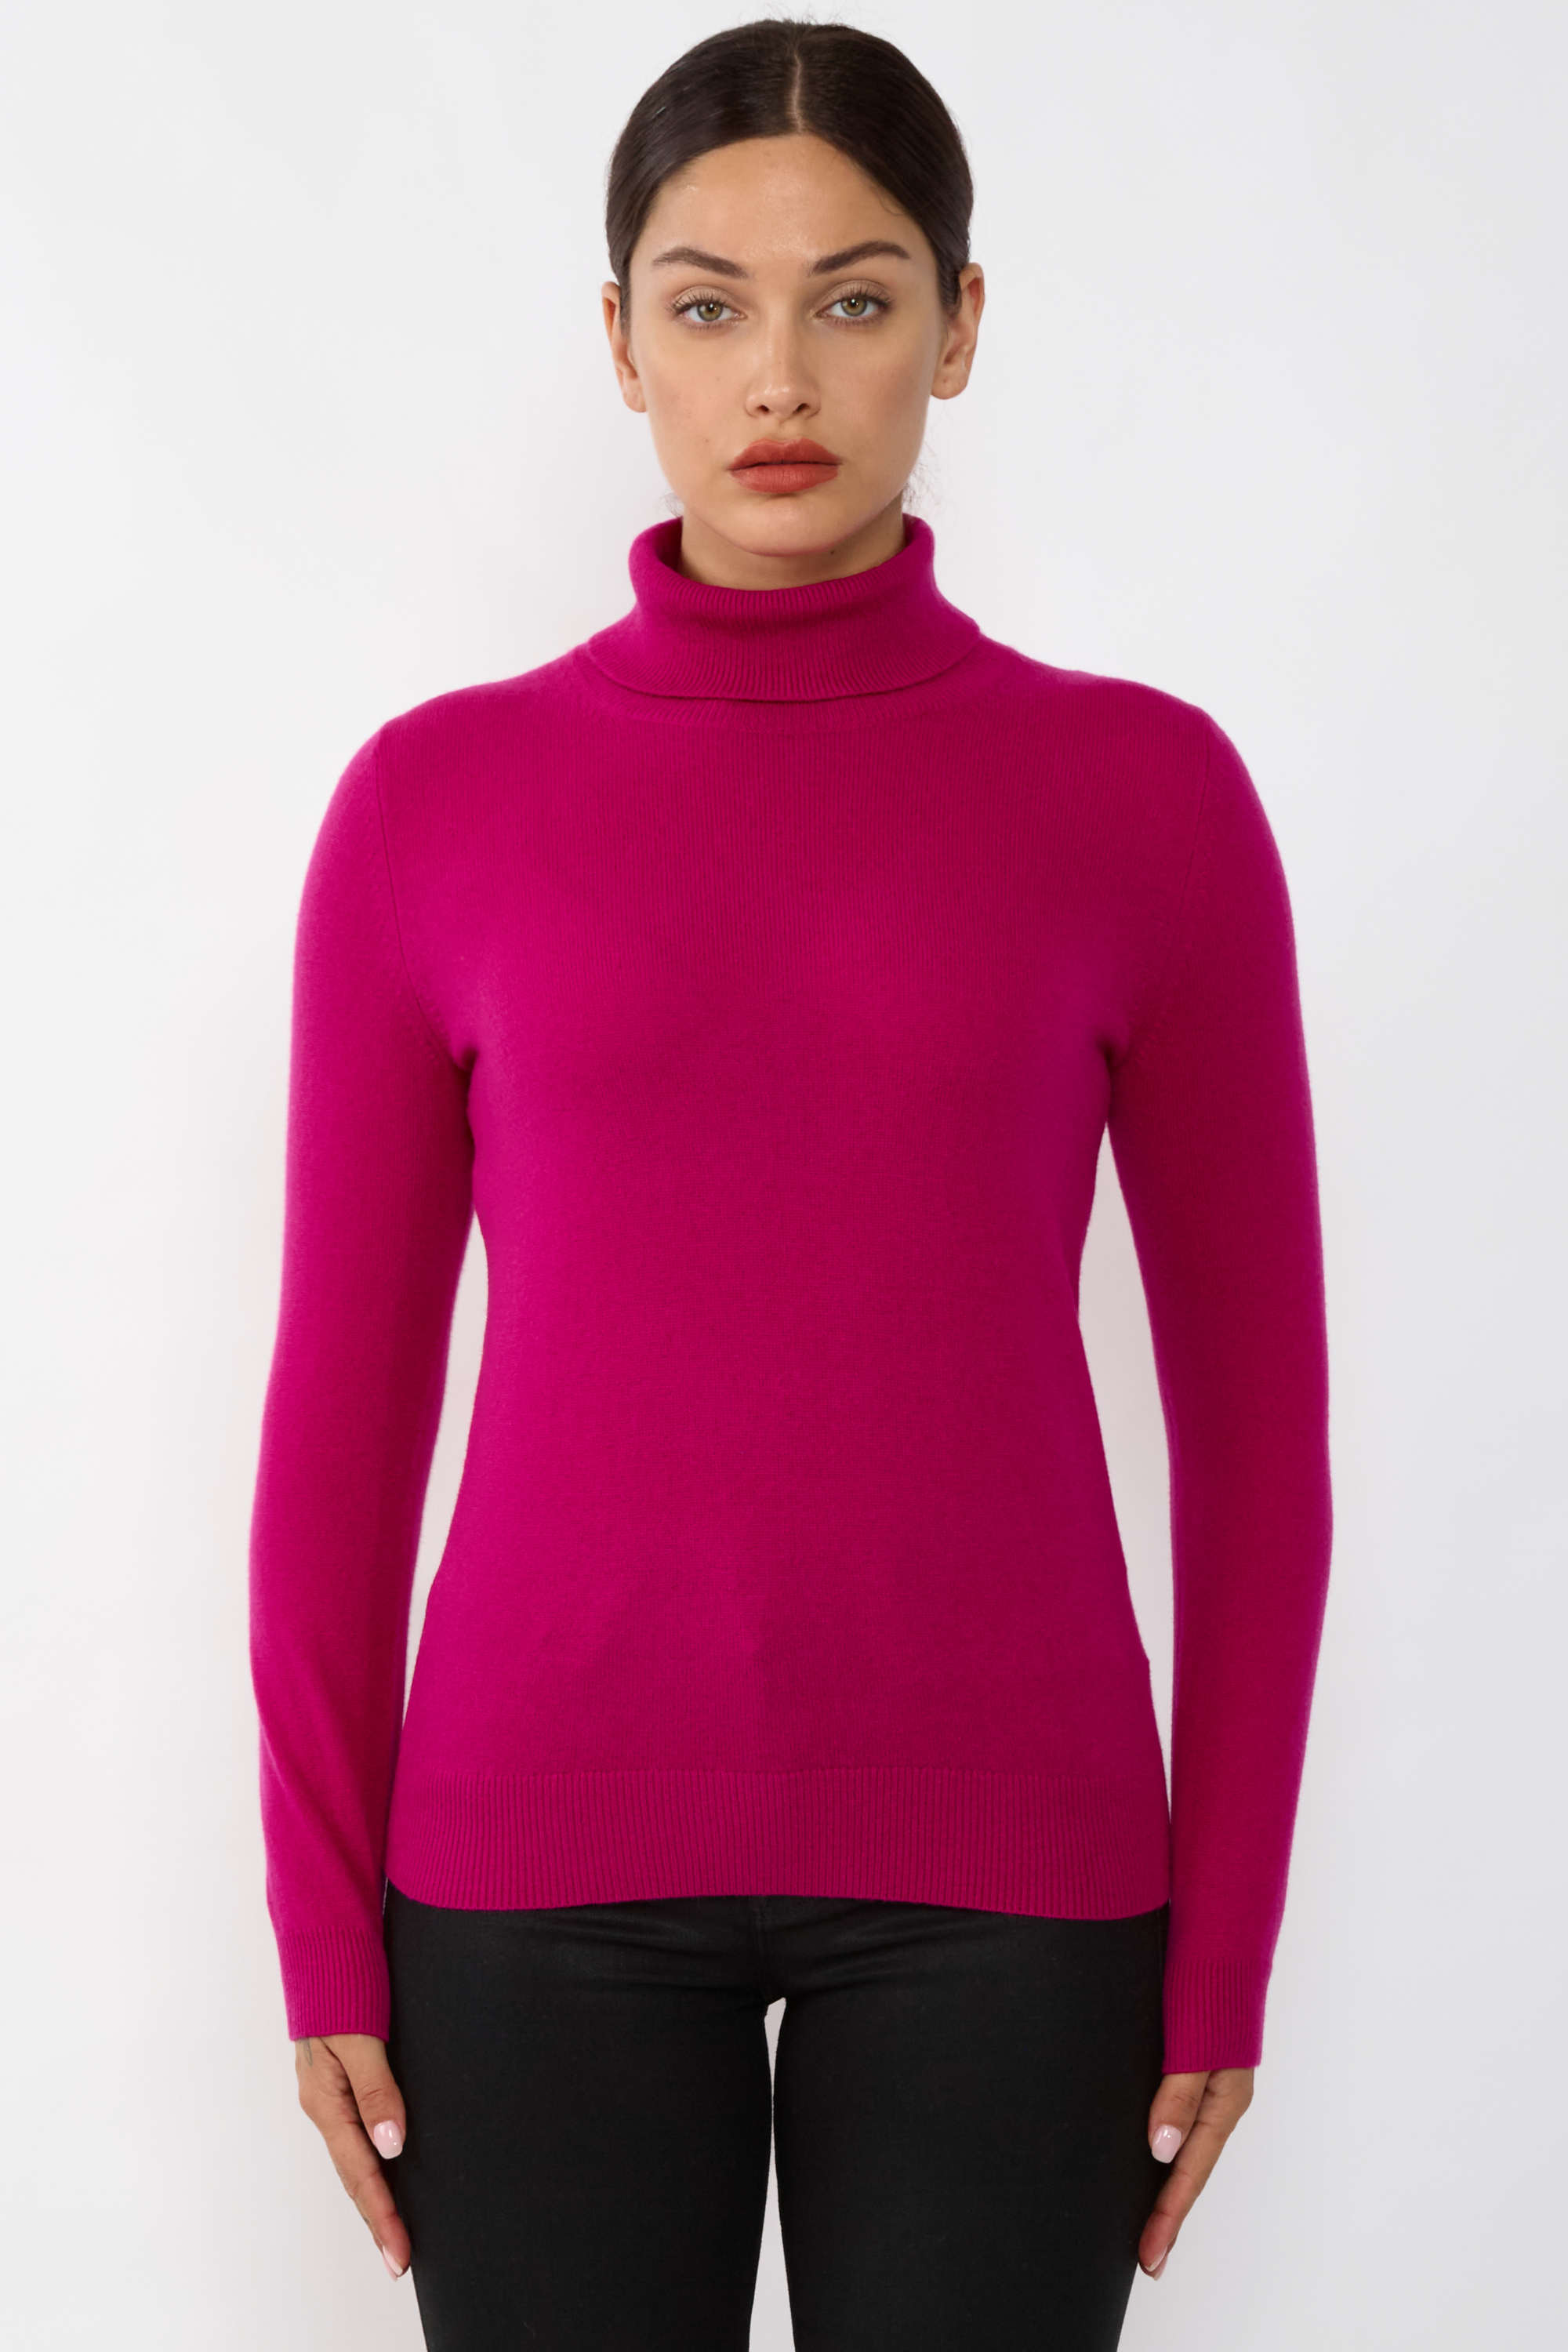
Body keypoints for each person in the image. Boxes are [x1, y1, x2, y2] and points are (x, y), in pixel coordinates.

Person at [250, 19, 1332, 2350]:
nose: (780, 376)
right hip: (531, 1869)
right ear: (618, 337)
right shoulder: (435, 806)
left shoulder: (1145, 799)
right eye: (708, 302)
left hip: (1015, 1878)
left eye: (854, 298)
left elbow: (1261, 1436)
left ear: (960, 323)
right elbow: (342, 1417)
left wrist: (1227, 1937)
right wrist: (322, 1922)